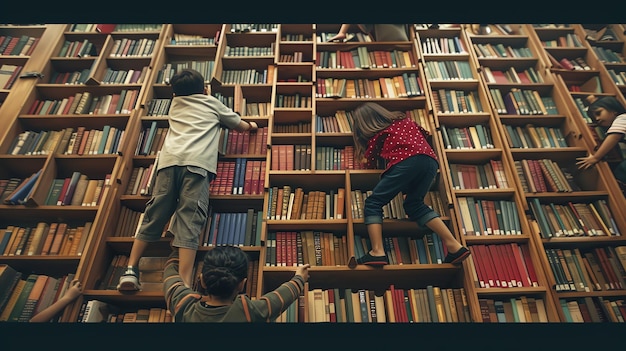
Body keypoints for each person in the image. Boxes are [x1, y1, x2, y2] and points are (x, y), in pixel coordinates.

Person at [118, 68, 258, 291]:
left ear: (174, 94)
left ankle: (130, 270)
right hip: (196, 164)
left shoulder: (174, 105)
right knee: (189, 219)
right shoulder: (211, 102)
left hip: (168, 163)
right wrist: (252, 126)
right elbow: (238, 125)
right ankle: (183, 283)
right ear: (204, 89)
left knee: (154, 214)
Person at [349, 102, 470, 266]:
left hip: (406, 161)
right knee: (414, 204)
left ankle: (377, 251)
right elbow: (424, 134)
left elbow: (371, 161)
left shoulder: (379, 135)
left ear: (365, 124)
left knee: (373, 202)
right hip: (431, 162)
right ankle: (454, 245)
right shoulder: (407, 122)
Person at [163, 245, 310, 322]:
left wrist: (179, 248)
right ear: (242, 284)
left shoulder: (184, 305)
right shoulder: (248, 312)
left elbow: (170, 275)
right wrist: (299, 278)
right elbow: (279, 299)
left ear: (202, 280)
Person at [576, 95, 626, 192]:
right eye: (594, 118)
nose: (597, 119)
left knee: (621, 171)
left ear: (614, 110)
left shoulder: (622, 118)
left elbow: (614, 137)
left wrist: (596, 158)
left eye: (599, 113)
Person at [327, 24, 409, 42]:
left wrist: (342, 32)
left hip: (385, 44)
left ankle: (342, 33)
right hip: (403, 43)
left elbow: (366, 30)